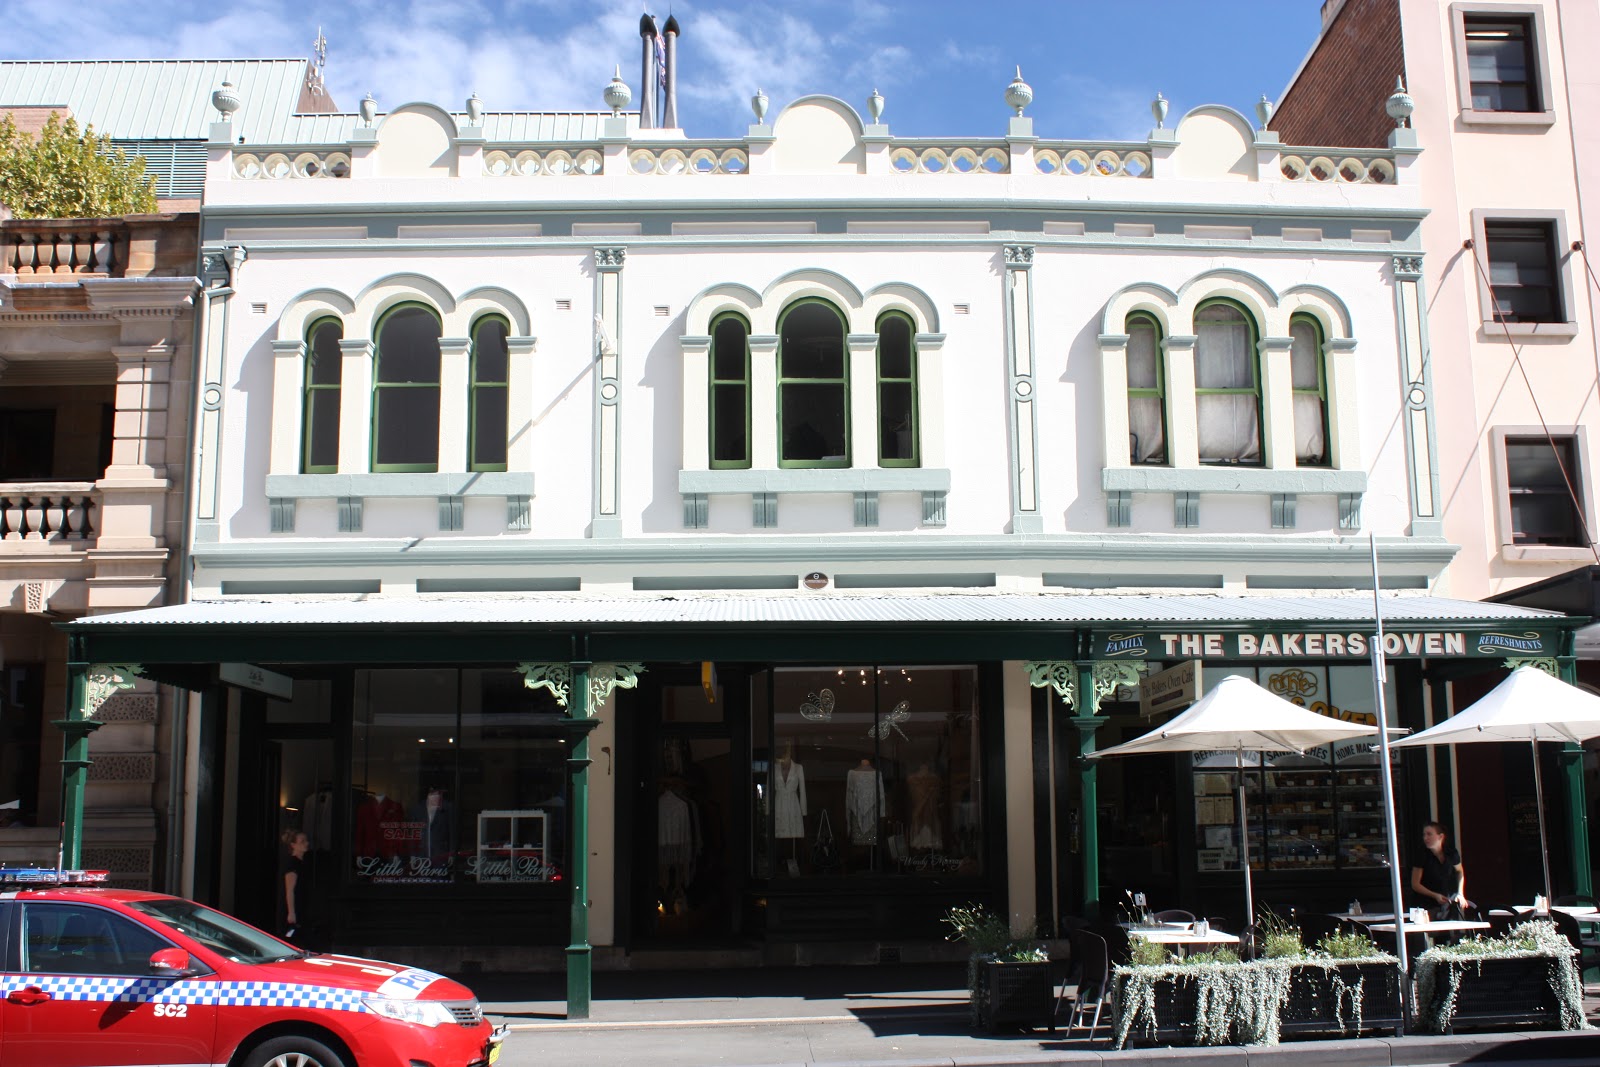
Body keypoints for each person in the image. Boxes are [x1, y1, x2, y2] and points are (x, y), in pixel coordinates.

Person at [1410, 821, 1472, 918]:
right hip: (1422, 905)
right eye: (1424, 835)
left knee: (1446, 930)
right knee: (1424, 932)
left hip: (1445, 902)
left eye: (1429, 834)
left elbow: (1460, 871)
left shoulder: (1451, 853)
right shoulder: (1421, 855)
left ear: (1440, 837)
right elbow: (1415, 884)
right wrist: (1435, 895)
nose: (1425, 838)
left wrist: (1460, 893)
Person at [279, 829, 309, 939]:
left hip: (301, 905)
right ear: (293, 845)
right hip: (294, 908)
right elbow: (289, 890)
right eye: (302, 841)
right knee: (291, 936)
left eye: (306, 841)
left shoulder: (302, 863)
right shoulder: (292, 864)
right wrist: (291, 912)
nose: (306, 843)